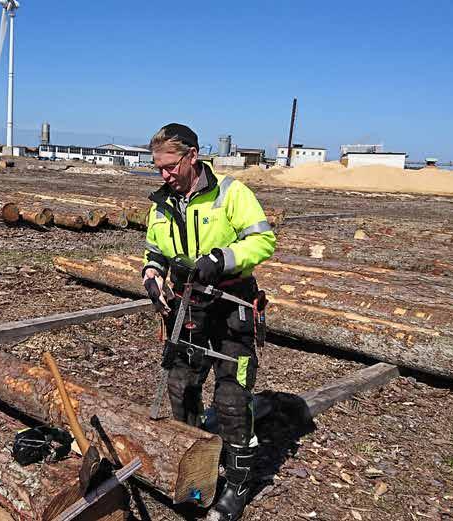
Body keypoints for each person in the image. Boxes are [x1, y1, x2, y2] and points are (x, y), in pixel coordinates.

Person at [142, 123, 276, 520]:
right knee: (181, 386)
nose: (163, 174)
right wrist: (151, 276)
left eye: (169, 166)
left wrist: (222, 258)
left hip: (230, 304)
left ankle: (236, 484)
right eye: (158, 168)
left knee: (232, 399)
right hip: (186, 306)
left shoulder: (232, 194)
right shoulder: (161, 203)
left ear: (192, 156)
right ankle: (194, 467)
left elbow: (263, 240)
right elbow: (155, 250)